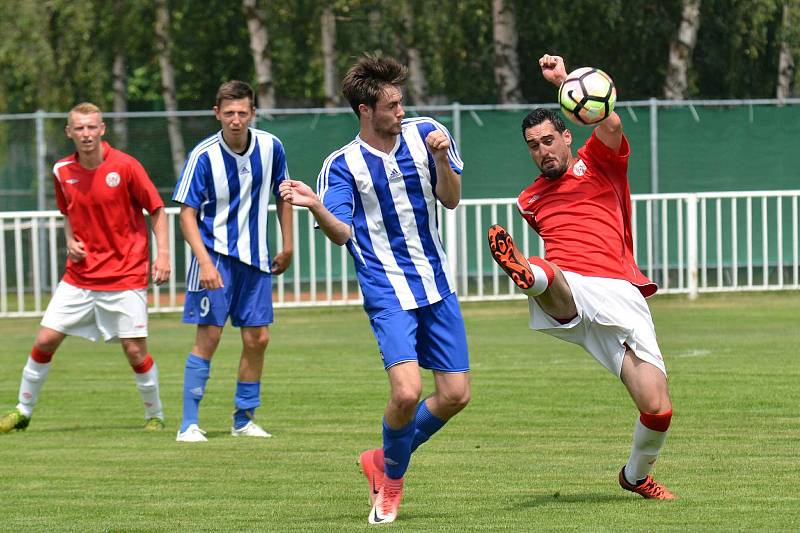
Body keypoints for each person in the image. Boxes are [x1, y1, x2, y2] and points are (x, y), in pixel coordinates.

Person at [279, 55, 471, 524]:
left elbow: (451, 198)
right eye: (391, 105)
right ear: (366, 110)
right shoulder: (341, 165)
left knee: (456, 395)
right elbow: (342, 232)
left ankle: (382, 460)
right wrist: (313, 206)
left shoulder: (426, 133)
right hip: (385, 288)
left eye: (402, 101)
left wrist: (444, 157)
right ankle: (391, 486)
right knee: (406, 394)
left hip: (436, 282)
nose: (401, 111)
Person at [487, 54, 675, 499]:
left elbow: (609, 125)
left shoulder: (600, 161)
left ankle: (635, 476)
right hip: (572, 283)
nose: (542, 151)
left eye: (549, 140)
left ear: (567, 136)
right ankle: (530, 273)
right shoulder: (528, 199)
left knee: (657, 408)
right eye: (533, 145)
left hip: (620, 292)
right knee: (550, 275)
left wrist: (567, 81)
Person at [0, 102, 170, 433]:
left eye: (92, 127)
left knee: (134, 349)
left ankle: (155, 415)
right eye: (79, 128)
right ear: (69, 133)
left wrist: (163, 255)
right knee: (46, 339)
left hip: (125, 274)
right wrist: (70, 241)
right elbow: (68, 213)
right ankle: (23, 410)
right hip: (80, 276)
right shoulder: (62, 170)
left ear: (102, 129)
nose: (86, 134)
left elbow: (157, 209)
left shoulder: (126, 166)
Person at [172, 80, 293, 443]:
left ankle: (243, 419)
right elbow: (186, 215)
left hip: (255, 260)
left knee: (258, 338)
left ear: (253, 113)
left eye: (243, 113)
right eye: (229, 114)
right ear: (217, 114)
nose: (236, 120)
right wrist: (204, 262)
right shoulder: (203, 156)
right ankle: (188, 424)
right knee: (209, 337)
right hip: (216, 258)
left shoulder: (272, 147)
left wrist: (288, 245)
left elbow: (284, 194)